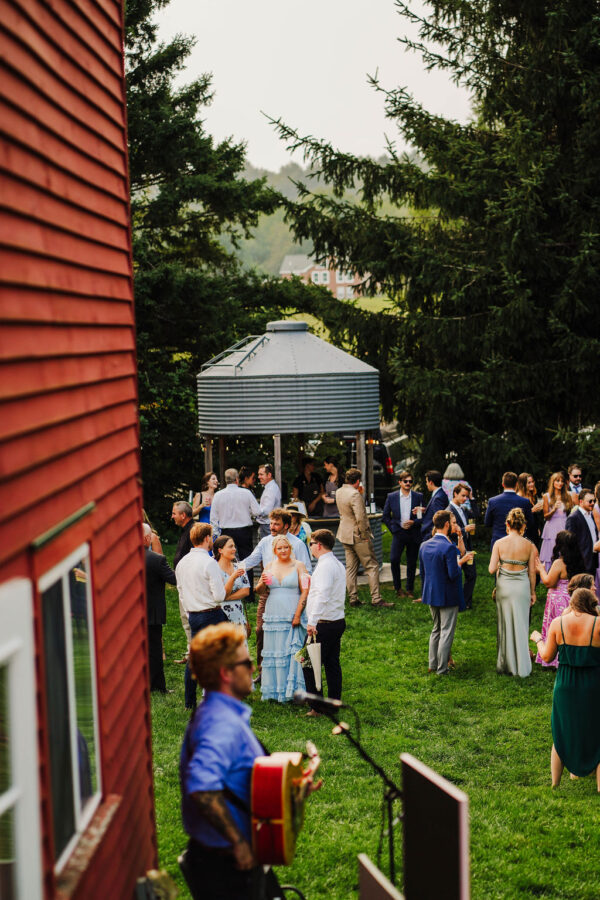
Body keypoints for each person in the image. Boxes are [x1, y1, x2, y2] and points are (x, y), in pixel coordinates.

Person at [178, 622, 265, 899]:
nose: (253, 668)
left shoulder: (219, 712)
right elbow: (202, 787)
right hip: (224, 866)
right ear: (226, 673)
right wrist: (237, 842)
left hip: (222, 860)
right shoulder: (220, 724)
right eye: (246, 663)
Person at [531, 587, 600, 790]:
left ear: (572, 603)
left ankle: (555, 784)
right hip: (593, 685)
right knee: (597, 733)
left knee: (561, 732)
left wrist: (538, 639)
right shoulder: (598, 624)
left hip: (566, 685)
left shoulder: (558, 623)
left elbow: (546, 656)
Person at [176, 523, 244, 709]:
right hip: (212, 614)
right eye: (211, 536)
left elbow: (181, 592)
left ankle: (190, 702)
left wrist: (190, 610)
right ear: (207, 538)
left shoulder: (182, 563)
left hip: (193, 615)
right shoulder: (209, 563)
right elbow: (219, 596)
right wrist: (226, 581)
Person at [241, 508, 312, 681]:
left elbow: (308, 571)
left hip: (292, 595)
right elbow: (251, 560)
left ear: (286, 526)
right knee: (261, 631)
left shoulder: (298, 544)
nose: (272, 527)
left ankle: (295, 672)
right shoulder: (265, 542)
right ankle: (264, 671)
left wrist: (303, 597)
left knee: (291, 634)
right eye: (271, 523)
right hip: (268, 593)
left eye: (276, 524)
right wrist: (231, 568)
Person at [419, 509, 472, 675]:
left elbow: (423, 573)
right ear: (447, 524)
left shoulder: (424, 545)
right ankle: (442, 668)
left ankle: (432, 664)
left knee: (436, 629)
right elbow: (453, 574)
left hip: (431, 594)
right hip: (448, 595)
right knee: (446, 631)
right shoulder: (448, 547)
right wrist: (461, 563)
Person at [258, 535, 308, 702]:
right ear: (274, 550)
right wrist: (262, 583)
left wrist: (298, 614)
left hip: (292, 610)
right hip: (273, 612)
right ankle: (276, 690)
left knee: (293, 650)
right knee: (276, 649)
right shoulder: (269, 566)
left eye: (286, 547)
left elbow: (305, 591)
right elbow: (259, 591)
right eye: (279, 548)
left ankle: (296, 691)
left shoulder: (299, 565)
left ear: (290, 548)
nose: (283, 550)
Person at [302, 529, 347, 716]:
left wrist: (312, 622)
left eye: (311, 544)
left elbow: (323, 595)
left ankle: (317, 706)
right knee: (331, 663)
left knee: (307, 662)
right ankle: (334, 702)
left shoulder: (325, 566)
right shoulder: (336, 563)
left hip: (324, 623)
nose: (310, 547)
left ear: (318, 545)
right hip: (336, 620)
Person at [488, 508, 537, 678]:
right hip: (522, 587)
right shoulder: (529, 545)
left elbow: (491, 569)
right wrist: (532, 592)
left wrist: (501, 565)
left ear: (507, 524)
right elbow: (532, 572)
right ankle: (522, 666)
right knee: (521, 625)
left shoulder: (499, 543)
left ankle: (506, 665)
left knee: (505, 624)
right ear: (523, 525)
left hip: (504, 588)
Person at [335, 467, 391, 608]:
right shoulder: (354, 494)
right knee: (371, 565)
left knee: (350, 568)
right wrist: (365, 535)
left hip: (344, 534)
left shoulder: (339, 491)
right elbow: (361, 517)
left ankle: (353, 598)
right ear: (358, 481)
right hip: (357, 534)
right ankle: (376, 599)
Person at [535, 531, 585, 668]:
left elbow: (549, 582)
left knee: (556, 629)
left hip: (558, 600)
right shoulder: (579, 562)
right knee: (569, 629)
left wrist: (541, 570)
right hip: (572, 598)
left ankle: (553, 658)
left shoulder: (559, 563)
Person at [143, 523, 176, 692]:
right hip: (152, 611)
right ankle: (157, 686)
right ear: (147, 538)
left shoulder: (124, 558)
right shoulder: (157, 560)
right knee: (155, 649)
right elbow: (174, 579)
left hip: (132, 613)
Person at [382, 470, 423, 599]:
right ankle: (398, 588)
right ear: (400, 482)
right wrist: (395, 528)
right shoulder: (392, 496)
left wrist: (414, 522)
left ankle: (410, 589)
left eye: (410, 481)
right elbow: (385, 516)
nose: (408, 483)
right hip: (399, 533)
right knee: (394, 559)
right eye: (405, 481)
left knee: (412, 562)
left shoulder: (418, 496)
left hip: (413, 533)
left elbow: (422, 517)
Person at [210, 468, 260, 559]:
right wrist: (248, 512)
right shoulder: (247, 493)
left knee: (226, 559)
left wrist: (216, 534)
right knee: (247, 560)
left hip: (226, 532)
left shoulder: (218, 495)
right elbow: (257, 512)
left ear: (225, 480)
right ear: (237, 479)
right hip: (244, 531)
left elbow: (213, 518)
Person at [484, 471, 535, 549]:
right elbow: (530, 523)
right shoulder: (525, 502)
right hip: (518, 542)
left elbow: (487, 523)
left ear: (503, 484)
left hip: (498, 541)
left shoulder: (493, 501)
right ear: (516, 484)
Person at [214, 535, 251, 640]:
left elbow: (246, 591)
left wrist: (226, 597)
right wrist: (233, 578)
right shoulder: (213, 569)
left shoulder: (238, 566)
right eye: (230, 546)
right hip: (220, 615)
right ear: (220, 550)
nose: (234, 549)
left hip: (238, 614)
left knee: (240, 647)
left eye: (234, 546)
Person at [172, 499, 195, 662]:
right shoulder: (186, 530)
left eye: (174, 513)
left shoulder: (193, 531)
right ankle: (190, 650)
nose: (172, 516)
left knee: (188, 616)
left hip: (190, 580)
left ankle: (194, 652)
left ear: (183, 515)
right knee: (185, 617)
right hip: (183, 579)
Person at [449, 482, 477, 609]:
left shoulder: (464, 509)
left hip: (468, 547)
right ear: (455, 494)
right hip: (457, 548)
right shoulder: (449, 511)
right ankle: (461, 602)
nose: (465, 499)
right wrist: (464, 530)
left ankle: (465, 602)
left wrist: (472, 498)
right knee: (457, 576)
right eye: (463, 495)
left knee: (471, 575)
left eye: (467, 496)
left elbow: (476, 515)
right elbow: (449, 532)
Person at [540, 472, 573, 570]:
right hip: (552, 526)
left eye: (562, 481)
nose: (560, 483)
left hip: (564, 525)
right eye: (557, 481)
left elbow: (570, 513)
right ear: (553, 482)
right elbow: (546, 517)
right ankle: (550, 573)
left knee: (564, 549)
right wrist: (554, 509)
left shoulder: (568, 496)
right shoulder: (546, 496)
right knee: (551, 550)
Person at [565, 488, 598, 575]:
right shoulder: (573, 518)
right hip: (581, 563)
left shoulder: (591, 515)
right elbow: (569, 543)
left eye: (594, 501)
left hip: (592, 560)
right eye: (590, 501)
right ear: (581, 502)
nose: (593, 503)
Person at [417, 470, 449, 541]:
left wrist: (431, 535)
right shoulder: (440, 494)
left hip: (431, 535)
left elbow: (439, 519)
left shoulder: (437, 498)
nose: (426, 484)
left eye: (426, 482)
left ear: (431, 482)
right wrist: (425, 510)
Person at [517, 472, 543, 545]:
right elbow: (519, 516)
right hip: (524, 531)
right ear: (523, 484)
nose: (532, 484)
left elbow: (534, 517)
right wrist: (532, 510)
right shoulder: (519, 497)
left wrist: (537, 528)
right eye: (529, 483)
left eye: (532, 482)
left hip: (533, 529)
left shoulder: (532, 495)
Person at [256, 463, 282, 538]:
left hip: (268, 525)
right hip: (268, 524)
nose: (259, 477)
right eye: (258, 474)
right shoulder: (270, 487)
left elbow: (266, 511)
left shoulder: (271, 489)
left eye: (261, 474)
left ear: (269, 475)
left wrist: (254, 512)